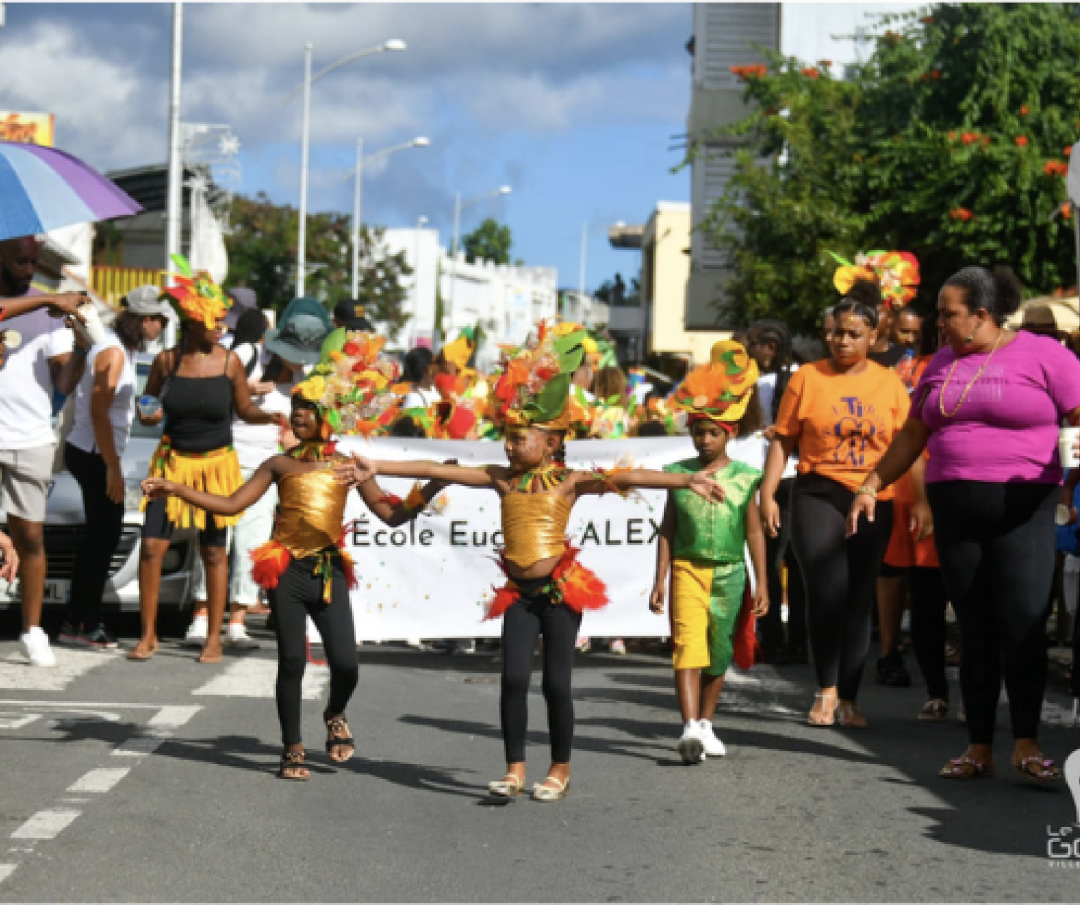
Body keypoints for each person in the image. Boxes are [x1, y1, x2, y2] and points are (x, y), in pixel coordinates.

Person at [339, 321, 727, 801]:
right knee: (514, 679)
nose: (510, 444)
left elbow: (635, 475)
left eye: (521, 438)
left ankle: (559, 769)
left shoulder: (568, 481)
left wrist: (688, 482)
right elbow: (434, 469)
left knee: (557, 686)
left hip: (560, 593)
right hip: (518, 595)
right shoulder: (502, 479)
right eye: (508, 435)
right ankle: (515, 768)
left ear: (550, 443)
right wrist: (376, 467)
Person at [144, 332, 444, 779]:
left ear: (328, 417)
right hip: (286, 570)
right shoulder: (277, 464)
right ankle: (292, 747)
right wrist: (174, 486)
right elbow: (230, 505)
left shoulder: (347, 464)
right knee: (292, 662)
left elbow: (390, 515)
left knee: (346, 664)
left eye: (309, 409)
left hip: (327, 572)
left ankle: (335, 713)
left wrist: (432, 487)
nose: (299, 415)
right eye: (296, 409)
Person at [847, 265, 1080, 782]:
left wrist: (1073, 476)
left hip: (1024, 508)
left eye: (949, 313)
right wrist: (870, 484)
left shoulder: (1045, 356)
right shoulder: (940, 364)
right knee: (974, 630)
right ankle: (978, 747)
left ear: (981, 314)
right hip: (956, 510)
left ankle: (1026, 743)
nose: (940, 322)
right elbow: (912, 435)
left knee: (1021, 624)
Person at [761, 278, 911, 728]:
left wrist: (918, 502)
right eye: (836, 332)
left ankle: (849, 696)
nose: (843, 340)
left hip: (873, 496)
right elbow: (783, 439)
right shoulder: (807, 378)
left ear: (872, 338)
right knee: (825, 591)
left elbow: (908, 445)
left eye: (853, 334)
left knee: (859, 597)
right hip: (817, 491)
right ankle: (824, 689)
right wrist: (768, 492)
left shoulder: (890, 384)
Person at [130, 257, 285, 663]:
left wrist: (267, 414)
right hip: (170, 463)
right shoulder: (166, 361)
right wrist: (149, 411)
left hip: (216, 464)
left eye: (223, 319)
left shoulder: (230, 362)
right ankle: (147, 636)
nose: (221, 325)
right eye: (214, 319)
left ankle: (214, 639)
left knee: (215, 551)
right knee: (151, 546)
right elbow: (148, 401)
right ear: (191, 321)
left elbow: (244, 410)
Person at [650, 342, 769, 763]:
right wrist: (659, 578)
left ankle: (705, 723)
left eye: (713, 431)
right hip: (687, 569)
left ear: (728, 434)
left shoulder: (744, 478)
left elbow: (754, 531)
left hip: (732, 573)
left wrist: (764, 583)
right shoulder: (678, 476)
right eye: (698, 431)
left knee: (719, 652)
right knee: (687, 645)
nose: (705, 439)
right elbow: (667, 529)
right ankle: (687, 727)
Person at [183, 310, 327, 651]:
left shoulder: (302, 384)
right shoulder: (246, 355)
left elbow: (292, 434)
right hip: (224, 459)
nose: (295, 363)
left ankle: (237, 620)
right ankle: (201, 617)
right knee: (216, 541)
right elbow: (211, 388)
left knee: (252, 543)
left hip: (265, 469)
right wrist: (246, 389)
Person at [59, 287, 171, 649]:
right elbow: (97, 410)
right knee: (102, 538)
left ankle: (78, 619)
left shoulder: (122, 350)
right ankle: (84, 622)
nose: (161, 327)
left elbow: (113, 405)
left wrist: (141, 413)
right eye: (158, 320)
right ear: (142, 320)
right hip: (94, 453)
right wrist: (111, 467)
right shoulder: (113, 352)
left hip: (97, 451)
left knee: (100, 537)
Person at [0, 235, 91, 667]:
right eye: (21, 259)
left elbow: (63, 382)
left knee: (31, 536)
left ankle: (32, 629)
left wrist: (81, 348)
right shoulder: (42, 305)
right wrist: (51, 301)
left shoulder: (49, 312)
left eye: (34, 260)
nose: (29, 267)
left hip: (31, 436)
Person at [744, 320, 806, 665]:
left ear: (769, 347)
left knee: (777, 555)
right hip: (781, 474)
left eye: (753, 344)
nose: (749, 351)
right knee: (786, 559)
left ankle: (781, 636)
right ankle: (787, 636)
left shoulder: (780, 379)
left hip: (781, 474)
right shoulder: (798, 374)